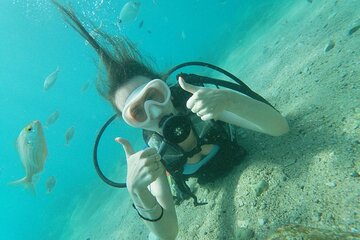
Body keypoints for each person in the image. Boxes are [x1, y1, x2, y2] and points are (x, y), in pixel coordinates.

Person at [52, 1, 289, 239]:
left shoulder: (200, 104)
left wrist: (228, 100)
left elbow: (280, 128)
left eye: (153, 95)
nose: (154, 112)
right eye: (137, 112)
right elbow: (167, 235)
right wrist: (138, 193)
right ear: (133, 122)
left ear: (165, 87)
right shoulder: (157, 154)